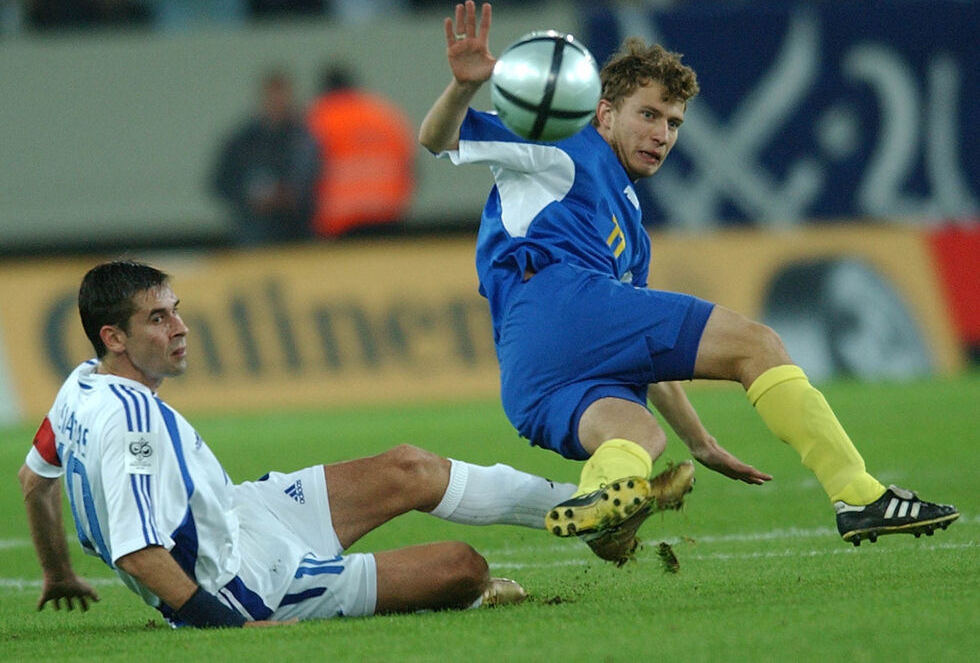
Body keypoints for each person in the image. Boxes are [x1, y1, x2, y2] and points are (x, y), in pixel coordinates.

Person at [418, 0, 959, 561]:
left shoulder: (631, 227)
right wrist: (463, 87)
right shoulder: (564, 142)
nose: (663, 134)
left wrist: (698, 441)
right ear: (603, 113)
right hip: (558, 300)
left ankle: (603, 509)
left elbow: (644, 350)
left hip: (531, 374)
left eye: (674, 123)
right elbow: (439, 139)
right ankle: (860, 495)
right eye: (648, 114)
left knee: (639, 439)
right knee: (756, 344)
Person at [21, 259, 651, 627]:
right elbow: (138, 554)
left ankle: (590, 512)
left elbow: (33, 481)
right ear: (115, 338)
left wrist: (56, 571)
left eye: (177, 310)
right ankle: (479, 590)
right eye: (158, 319)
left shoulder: (78, 386)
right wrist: (230, 629)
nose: (181, 328)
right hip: (248, 583)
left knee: (409, 466)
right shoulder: (131, 421)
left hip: (245, 513)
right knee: (463, 566)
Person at [211, 69, 319, 246]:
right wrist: (250, 199)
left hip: (298, 234)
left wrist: (293, 196)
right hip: (256, 234)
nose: (278, 102)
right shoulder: (242, 141)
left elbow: (318, 179)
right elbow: (220, 183)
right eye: (273, 96)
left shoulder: (305, 138)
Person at [306, 64, 416, 237]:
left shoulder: (319, 116)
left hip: (341, 219)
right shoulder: (383, 114)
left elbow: (306, 169)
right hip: (387, 212)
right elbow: (410, 165)